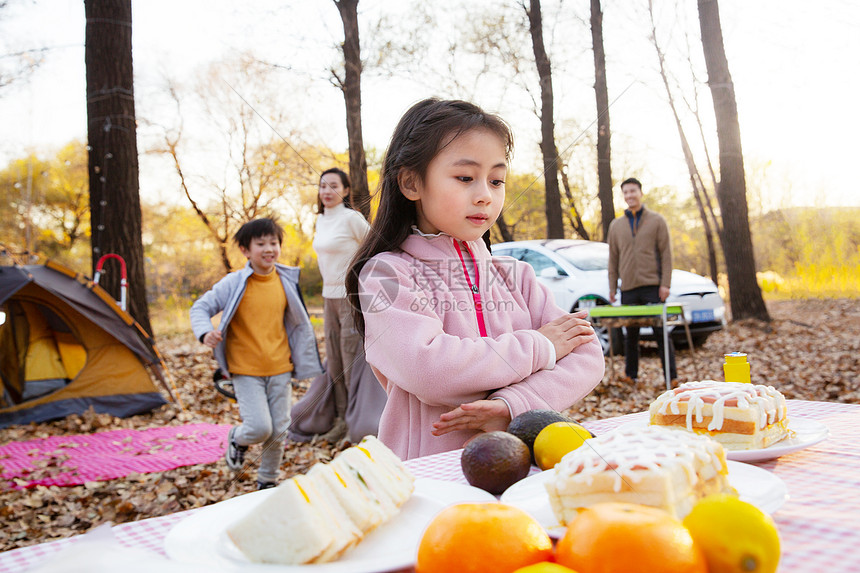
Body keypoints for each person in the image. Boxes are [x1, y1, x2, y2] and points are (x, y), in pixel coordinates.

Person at [344, 98, 605, 460]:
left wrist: (510, 404)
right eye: (466, 178)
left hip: (525, 465)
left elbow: (587, 354)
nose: (485, 195)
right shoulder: (386, 275)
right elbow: (428, 369)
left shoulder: (517, 276)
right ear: (411, 182)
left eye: (496, 180)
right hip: (432, 474)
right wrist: (541, 347)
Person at [190, 218, 323, 489]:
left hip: (279, 367)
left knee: (279, 430)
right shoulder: (234, 283)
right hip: (245, 369)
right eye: (260, 244)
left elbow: (298, 324)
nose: (268, 249)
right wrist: (206, 333)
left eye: (273, 243)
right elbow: (200, 308)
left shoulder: (286, 281)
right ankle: (238, 438)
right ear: (245, 250)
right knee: (260, 428)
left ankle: (267, 481)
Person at [310, 167, 371, 441]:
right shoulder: (321, 220)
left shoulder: (351, 218)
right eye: (323, 186)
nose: (327, 192)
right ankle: (340, 420)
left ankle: (355, 422)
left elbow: (375, 247)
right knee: (334, 361)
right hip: (327, 298)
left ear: (345, 190)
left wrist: (362, 283)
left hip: (349, 298)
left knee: (349, 361)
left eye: (333, 186)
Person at [607, 177, 677, 384]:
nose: (629, 195)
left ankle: (671, 378)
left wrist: (665, 283)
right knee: (631, 335)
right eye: (626, 192)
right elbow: (613, 258)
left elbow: (666, 254)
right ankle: (631, 375)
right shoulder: (616, 226)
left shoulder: (657, 221)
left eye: (633, 191)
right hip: (628, 288)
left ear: (640, 193)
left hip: (652, 287)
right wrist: (613, 286)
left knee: (661, 332)